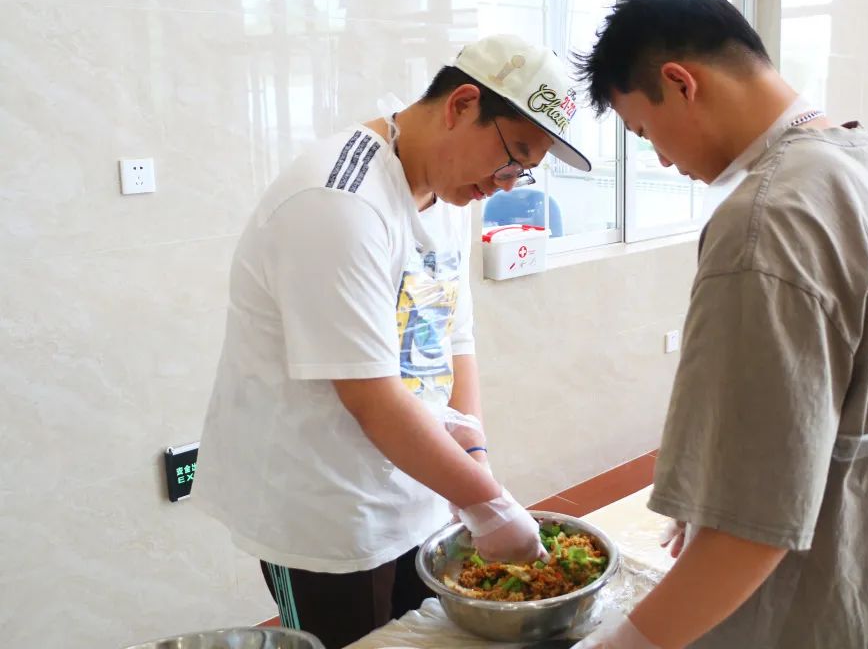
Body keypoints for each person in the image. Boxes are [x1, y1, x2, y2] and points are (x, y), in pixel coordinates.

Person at [571, 0, 868, 648]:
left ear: (681, 83)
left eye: (644, 131)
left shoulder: (768, 218)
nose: (661, 158)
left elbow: (749, 531)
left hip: (822, 609)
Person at [192, 34, 591, 649]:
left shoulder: (452, 191)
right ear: (461, 104)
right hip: (323, 511)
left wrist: (473, 457)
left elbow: (454, 331)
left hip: (416, 486)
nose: (509, 183)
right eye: (513, 156)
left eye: (525, 170)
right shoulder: (338, 200)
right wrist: (488, 503)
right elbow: (371, 398)